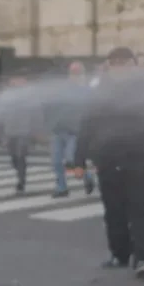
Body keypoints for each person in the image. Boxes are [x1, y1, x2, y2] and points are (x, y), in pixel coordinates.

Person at [71, 47, 144, 278]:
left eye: (124, 62)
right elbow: (86, 126)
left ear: (133, 66)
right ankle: (120, 253)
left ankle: (142, 258)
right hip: (107, 159)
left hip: (139, 160)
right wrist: (78, 160)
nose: (119, 67)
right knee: (113, 211)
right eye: (115, 63)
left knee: (140, 211)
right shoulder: (99, 91)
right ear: (108, 66)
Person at [46, 62, 93, 198]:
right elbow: (51, 108)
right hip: (58, 131)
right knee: (56, 161)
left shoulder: (87, 91)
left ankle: (87, 176)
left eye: (78, 72)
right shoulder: (62, 90)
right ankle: (61, 187)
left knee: (71, 159)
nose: (75, 76)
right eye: (73, 72)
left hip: (75, 132)